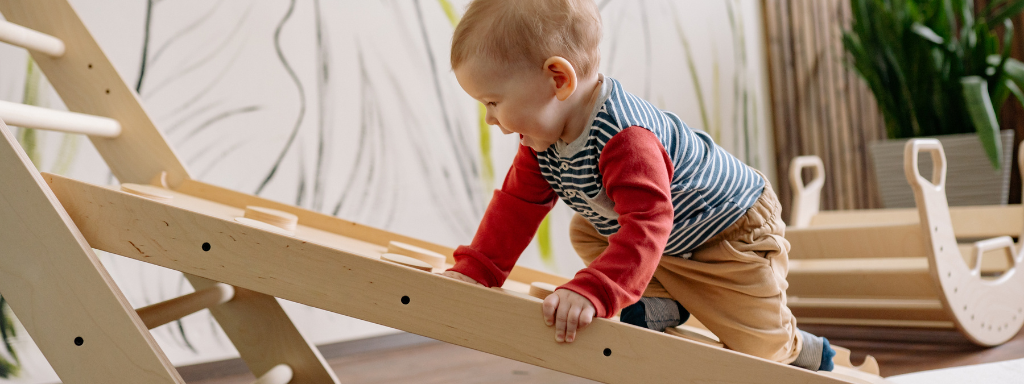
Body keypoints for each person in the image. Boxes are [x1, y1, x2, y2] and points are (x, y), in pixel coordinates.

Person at [439, 0, 834, 371]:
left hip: (731, 229)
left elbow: (649, 222)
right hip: (671, 235)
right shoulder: (540, 142)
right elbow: (517, 205)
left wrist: (595, 289)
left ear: (558, 80)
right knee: (588, 229)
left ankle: (803, 349)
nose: (491, 119)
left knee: (761, 349)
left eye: (493, 102)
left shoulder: (625, 138)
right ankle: (662, 300)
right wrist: (477, 269)